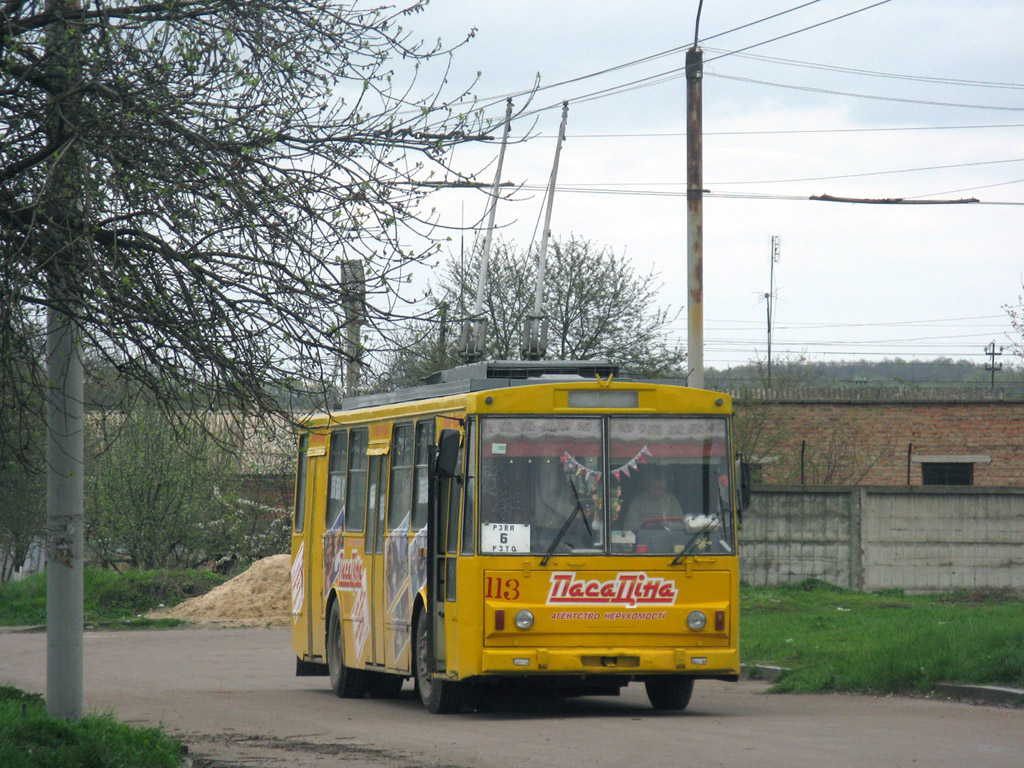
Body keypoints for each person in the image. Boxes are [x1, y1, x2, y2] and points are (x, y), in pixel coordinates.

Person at [620, 465, 682, 531]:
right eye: (654, 488)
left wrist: (667, 525)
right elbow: (627, 526)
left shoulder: (672, 501)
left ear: (665, 487)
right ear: (647, 487)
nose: (657, 492)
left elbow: (682, 525)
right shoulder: (638, 501)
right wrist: (643, 524)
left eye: (660, 488)